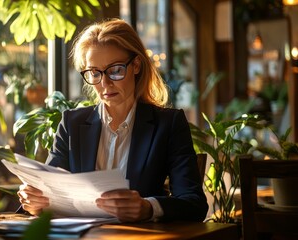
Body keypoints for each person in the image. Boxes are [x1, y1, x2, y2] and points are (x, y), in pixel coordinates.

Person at [17, 18, 208, 222]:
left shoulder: (167, 124)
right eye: (94, 73)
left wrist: (147, 208)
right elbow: (49, 189)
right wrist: (35, 201)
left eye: (115, 70)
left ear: (135, 65)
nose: (105, 83)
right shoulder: (72, 124)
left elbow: (193, 203)